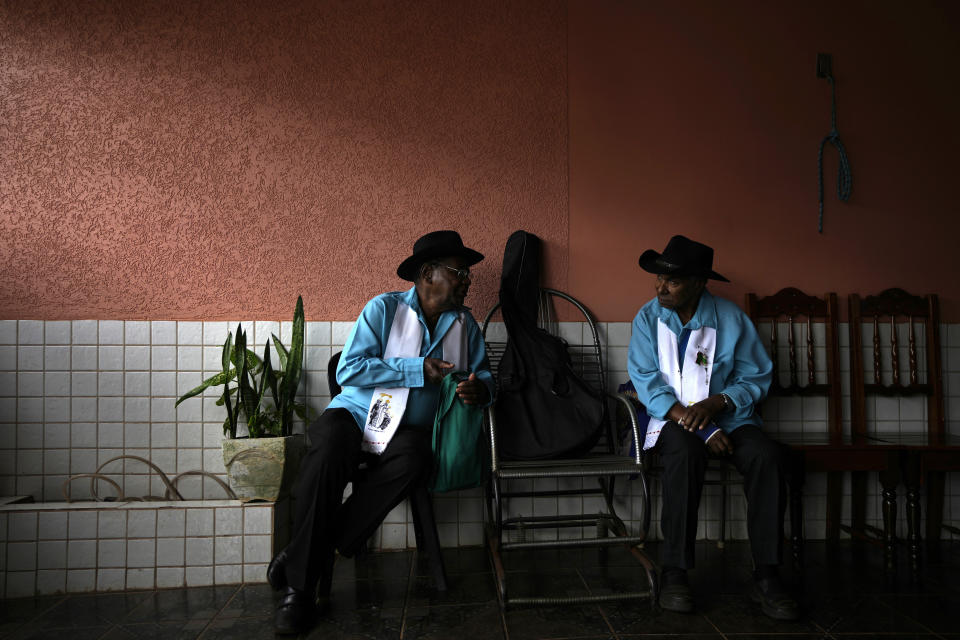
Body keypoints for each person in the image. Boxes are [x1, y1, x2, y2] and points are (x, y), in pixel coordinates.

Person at [267, 230, 494, 634]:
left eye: (468, 275)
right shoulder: (384, 309)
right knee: (327, 450)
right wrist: (415, 368)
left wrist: (481, 389)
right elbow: (348, 369)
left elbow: (486, 376)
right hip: (356, 415)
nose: (467, 281)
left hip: (408, 430)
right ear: (428, 273)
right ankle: (299, 592)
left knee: (417, 459)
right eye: (460, 272)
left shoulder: (465, 324)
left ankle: (308, 551)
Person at [627, 235, 799, 621]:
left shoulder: (731, 318)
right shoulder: (648, 319)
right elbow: (645, 379)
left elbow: (756, 376)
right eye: (659, 278)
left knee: (766, 457)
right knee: (683, 453)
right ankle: (674, 572)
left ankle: (767, 575)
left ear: (699, 283)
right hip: (673, 419)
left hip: (732, 419)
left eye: (672, 281)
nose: (660, 287)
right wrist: (698, 427)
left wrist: (716, 404)